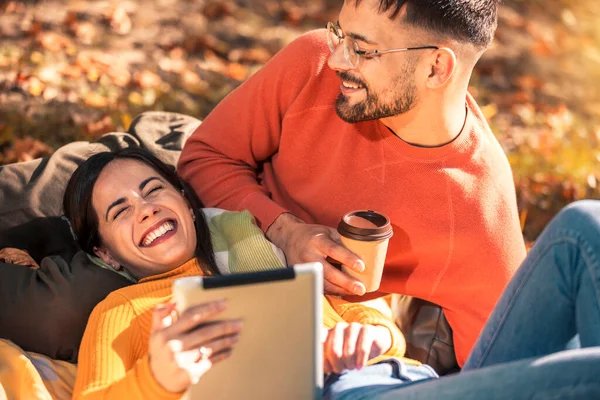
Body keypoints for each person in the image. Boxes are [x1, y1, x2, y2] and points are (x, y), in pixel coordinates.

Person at [178, 0, 526, 366]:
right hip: (204, 267)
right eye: (340, 36)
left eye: (361, 49)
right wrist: (284, 231)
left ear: (436, 67)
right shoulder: (311, 64)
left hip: (326, 352)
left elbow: (502, 374)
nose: (336, 61)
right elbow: (203, 158)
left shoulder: (481, 214)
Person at [64, 148, 427, 399]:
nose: (146, 210)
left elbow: (361, 318)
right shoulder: (119, 311)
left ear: (188, 205)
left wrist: (372, 337)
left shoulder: (263, 256)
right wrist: (158, 379)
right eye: (120, 211)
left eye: (153, 190)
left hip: (386, 378)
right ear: (104, 252)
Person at [324, 200, 600, 399]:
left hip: (419, 380)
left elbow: (360, 309)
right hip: (348, 390)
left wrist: (376, 334)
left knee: (581, 224)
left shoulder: (286, 263)